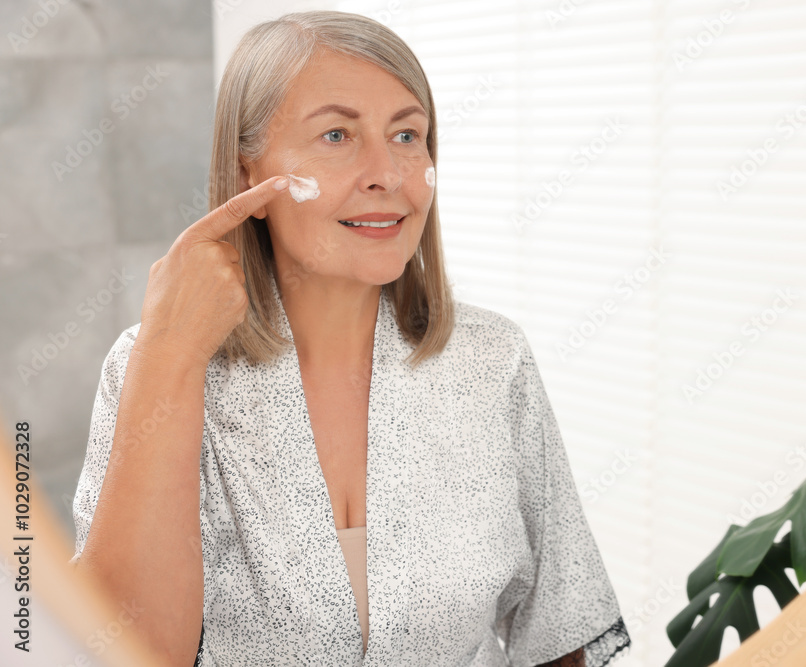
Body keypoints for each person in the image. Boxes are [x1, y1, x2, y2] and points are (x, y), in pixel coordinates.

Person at [69, 10, 630, 667]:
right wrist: (170, 351)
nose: (386, 173)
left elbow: (561, 634)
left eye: (407, 135)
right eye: (337, 134)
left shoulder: (493, 359)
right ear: (249, 168)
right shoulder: (154, 365)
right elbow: (121, 651)